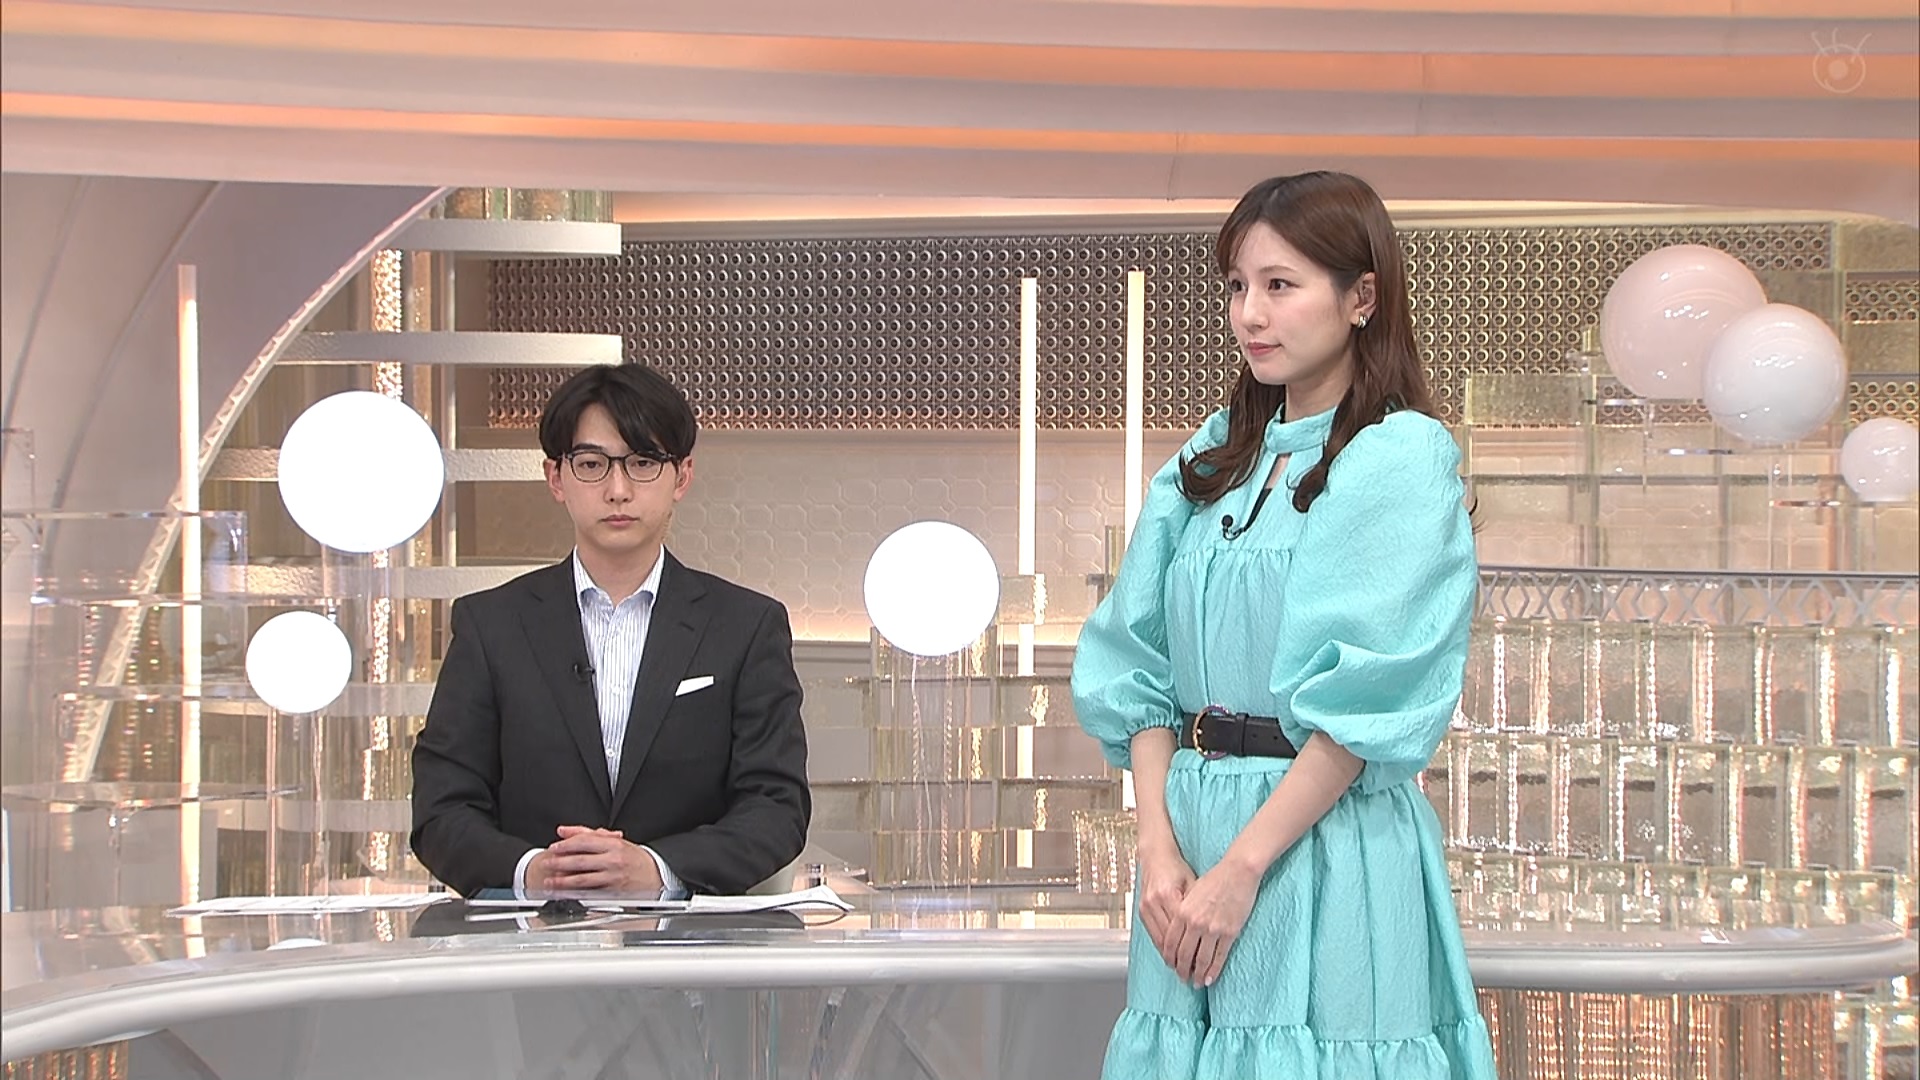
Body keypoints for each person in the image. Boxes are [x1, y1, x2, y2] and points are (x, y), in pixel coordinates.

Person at [1070, 172, 1496, 1078]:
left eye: (1280, 284)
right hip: (1189, 842)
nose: (1249, 315)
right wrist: (1157, 848)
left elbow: (1365, 706)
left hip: (1316, 842)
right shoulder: (1214, 453)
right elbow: (1137, 666)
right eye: (1236, 286)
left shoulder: (1397, 456)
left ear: (1361, 297)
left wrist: (1244, 868)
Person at [411, 363, 809, 899]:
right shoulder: (490, 625)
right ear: (556, 478)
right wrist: (532, 871)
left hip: (691, 940)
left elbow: (777, 808)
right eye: (592, 464)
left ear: (682, 476)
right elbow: (441, 809)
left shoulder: (746, 626)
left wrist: (658, 869)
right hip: (528, 937)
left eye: (643, 462)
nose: (618, 490)